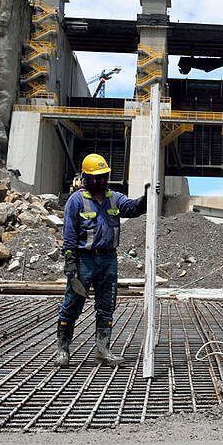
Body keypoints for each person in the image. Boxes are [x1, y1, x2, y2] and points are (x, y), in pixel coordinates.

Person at [55, 154, 151, 367]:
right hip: (84, 260)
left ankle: (102, 350)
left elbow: (134, 208)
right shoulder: (76, 201)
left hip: (108, 259)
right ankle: (63, 349)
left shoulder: (114, 198)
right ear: (86, 177)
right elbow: (69, 233)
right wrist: (70, 262)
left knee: (106, 306)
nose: (100, 181)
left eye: (103, 177)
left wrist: (147, 197)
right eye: (95, 178)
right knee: (72, 304)